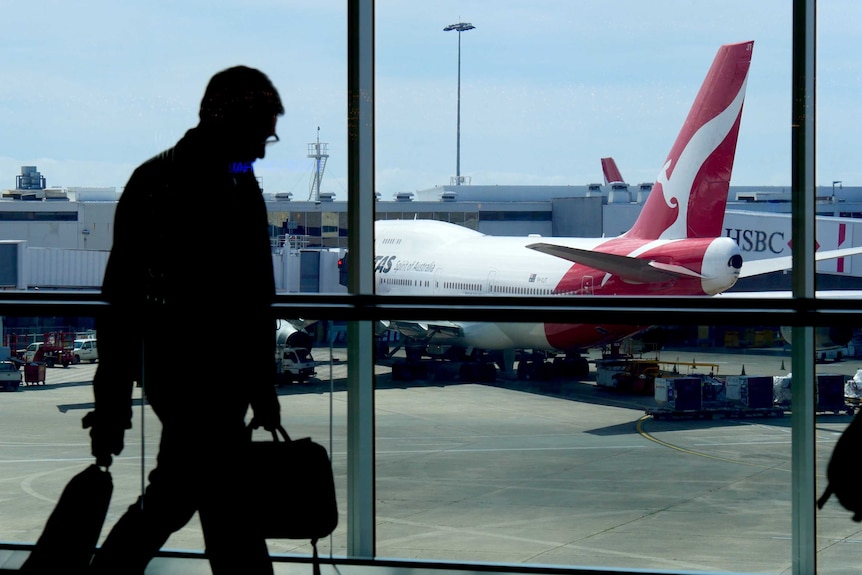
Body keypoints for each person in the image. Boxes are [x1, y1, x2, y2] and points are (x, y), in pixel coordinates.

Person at [84, 65, 284, 575]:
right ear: (232, 124)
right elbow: (257, 294)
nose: (265, 148)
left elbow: (120, 301)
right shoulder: (234, 184)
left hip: (177, 369)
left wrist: (112, 404)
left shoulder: (160, 179)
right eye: (262, 134)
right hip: (206, 375)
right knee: (215, 506)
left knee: (194, 497)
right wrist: (262, 385)